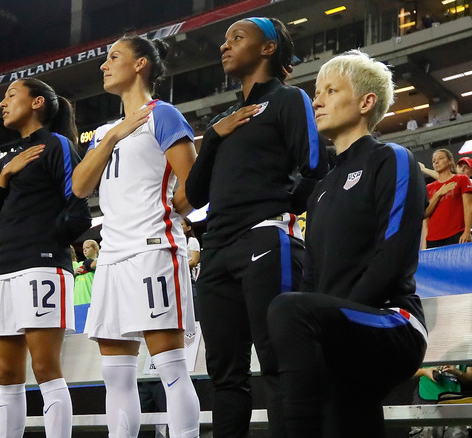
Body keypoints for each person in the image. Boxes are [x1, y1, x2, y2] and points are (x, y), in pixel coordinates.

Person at [267, 50, 427, 437]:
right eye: (316, 92)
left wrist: (328, 322)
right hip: (336, 330)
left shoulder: (392, 159)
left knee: (289, 311)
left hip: (392, 321)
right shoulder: (321, 189)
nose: (316, 101)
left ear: (366, 102)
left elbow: (394, 256)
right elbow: (313, 280)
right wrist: (325, 324)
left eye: (330, 90)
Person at [184, 17, 327, 437]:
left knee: (278, 363)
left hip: (266, 240)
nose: (225, 46)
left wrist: (279, 208)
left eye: (237, 38)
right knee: (224, 376)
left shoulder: (288, 99)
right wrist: (211, 136)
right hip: (216, 254)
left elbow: (316, 169)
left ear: (267, 49)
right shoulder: (225, 118)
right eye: (224, 40)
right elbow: (194, 193)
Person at [72, 33, 200, 438]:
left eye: (114, 57)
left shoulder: (163, 115)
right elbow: (79, 186)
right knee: (116, 376)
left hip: (153, 249)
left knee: (171, 370)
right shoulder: (104, 131)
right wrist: (112, 135)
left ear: (141, 63)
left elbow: (193, 183)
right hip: (112, 257)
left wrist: (169, 212)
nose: (104, 65)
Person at [0, 77, 91, 438]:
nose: (2, 103)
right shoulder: (11, 158)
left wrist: (45, 243)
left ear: (38, 102)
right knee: (6, 376)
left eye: (11, 95)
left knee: (45, 369)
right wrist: (4, 177)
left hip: (42, 266)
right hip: (2, 271)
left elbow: (79, 214)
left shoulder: (58, 145)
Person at [424, 149, 472, 248]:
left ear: (450, 161)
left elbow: (468, 207)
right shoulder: (428, 187)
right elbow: (425, 213)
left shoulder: (461, 179)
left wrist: (467, 231)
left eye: (440, 158)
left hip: (456, 234)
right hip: (432, 239)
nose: (436, 162)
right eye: (434, 161)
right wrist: (439, 194)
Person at [73, 240, 99, 306]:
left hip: (92, 301)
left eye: (87, 248)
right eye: (83, 249)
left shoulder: (100, 263)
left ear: (95, 248)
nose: (84, 251)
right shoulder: (77, 265)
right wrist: (74, 273)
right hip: (76, 303)